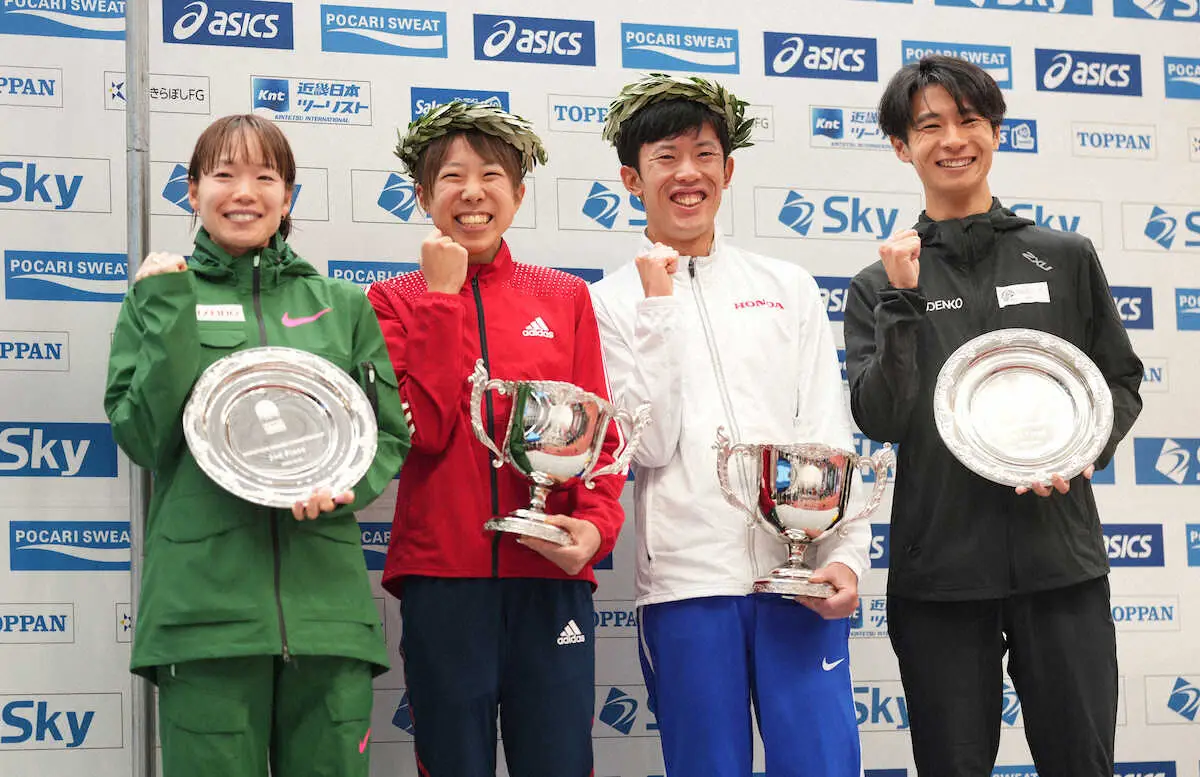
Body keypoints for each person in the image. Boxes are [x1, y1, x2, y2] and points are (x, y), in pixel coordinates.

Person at [843, 56, 1143, 777]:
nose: (953, 140)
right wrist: (904, 302)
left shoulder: (1063, 256)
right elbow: (880, 416)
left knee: (1083, 764)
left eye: (970, 120)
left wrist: (1080, 451)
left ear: (996, 131)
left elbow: (1120, 380)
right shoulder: (880, 282)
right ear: (901, 147)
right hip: (940, 574)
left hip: (1060, 564)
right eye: (929, 126)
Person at [105, 114, 410, 777]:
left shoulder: (341, 305)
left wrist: (345, 487)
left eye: (265, 177)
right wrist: (166, 307)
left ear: (288, 196)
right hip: (203, 614)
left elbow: (385, 431)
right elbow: (143, 437)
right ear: (192, 191)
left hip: (327, 614)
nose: (244, 192)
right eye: (224, 174)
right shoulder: (159, 296)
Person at [589, 73, 868, 777]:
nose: (688, 173)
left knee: (822, 767)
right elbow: (648, 445)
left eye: (704, 154)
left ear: (728, 170)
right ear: (632, 178)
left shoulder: (786, 286)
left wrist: (846, 557)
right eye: (666, 157)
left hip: (798, 578)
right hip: (688, 588)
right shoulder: (606, 303)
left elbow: (830, 436)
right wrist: (658, 308)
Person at [366, 101, 626, 777]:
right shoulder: (391, 300)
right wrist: (442, 298)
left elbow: (598, 433)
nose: (472, 192)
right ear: (422, 195)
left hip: (549, 573)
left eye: (490, 176)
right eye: (452, 176)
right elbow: (424, 432)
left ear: (519, 193)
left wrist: (596, 526)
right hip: (444, 580)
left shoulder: (563, 296)